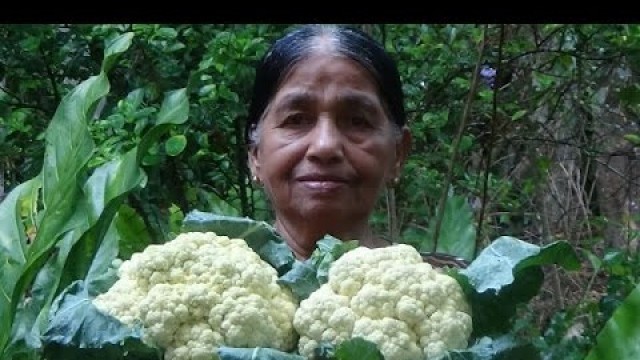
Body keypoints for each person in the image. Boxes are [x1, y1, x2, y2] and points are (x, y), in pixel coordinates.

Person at [245, 24, 412, 260]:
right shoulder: (193, 287)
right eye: (296, 120)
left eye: (357, 121)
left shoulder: (455, 288)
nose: (325, 145)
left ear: (398, 153)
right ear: (255, 154)